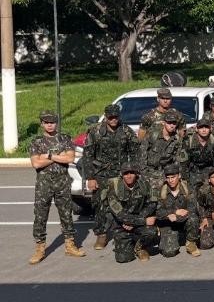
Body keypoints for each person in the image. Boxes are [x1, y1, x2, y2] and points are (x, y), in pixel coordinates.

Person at [29, 111, 85, 264]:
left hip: (62, 182)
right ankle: (40, 248)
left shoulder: (64, 139)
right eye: (46, 122)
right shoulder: (36, 142)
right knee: (40, 215)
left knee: (66, 214)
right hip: (44, 183)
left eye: (52, 122)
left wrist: (48, 156)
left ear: (56, 123)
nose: (49, 124)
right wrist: (57, 156)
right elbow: (36, 163)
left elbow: (70, 158)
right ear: (42, 124)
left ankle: (70, 245)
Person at [81, 103, 138, 249]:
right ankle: (102, 234)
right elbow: (87, 156)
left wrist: (133, 173)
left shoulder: (126, 131)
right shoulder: (95, 132)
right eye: (110, 117)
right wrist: (90, 178)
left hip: (122, 174)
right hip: (101, 174)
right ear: (105, 117)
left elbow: (135, 153)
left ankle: (123, 231)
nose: (113, 120)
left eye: (116, 117)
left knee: (124, 203)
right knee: (100, 204)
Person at [105, 163, 158, 263]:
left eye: (132, 173)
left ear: (136, 174)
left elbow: (152, 204)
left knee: (152, 231)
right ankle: (130, 242)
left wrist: (137, 220)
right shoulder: (114, 187)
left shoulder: (144, 184)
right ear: (121, 175)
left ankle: (139, 247)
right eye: (126, 173)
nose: (129, 176)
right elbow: (120, 215)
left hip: (137, 220)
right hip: (122, 225)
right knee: (123, 259)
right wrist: (143, 220)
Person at [153, 164, 201, 258]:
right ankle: (174, 238)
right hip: (168, 224)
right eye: (168, 178)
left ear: (179, 176)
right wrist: (172, 213)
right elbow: (156, 212)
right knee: (169, 252)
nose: (171, 180)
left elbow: (193, 208)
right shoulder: (159, 190)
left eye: (173, 177)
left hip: (184, 220)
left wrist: (177, 216)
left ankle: (191, 243)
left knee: (193, 219)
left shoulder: (188, 188)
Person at [139, 110, 186, 190]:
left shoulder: (177, 139)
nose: (172, 126)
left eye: (174, 123)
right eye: (169, 123)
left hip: (166, 173)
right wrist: (144, 173)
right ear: (164, 123)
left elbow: (177, 159)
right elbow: (142, 152)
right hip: (150, 172)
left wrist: (176, 174)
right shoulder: (153, 134)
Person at [182, 118, 214, 190]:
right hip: (194, 171)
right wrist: (185, 180)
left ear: (210, 129)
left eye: (206, 127)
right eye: (201, 127)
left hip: (210, 170)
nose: (204, 130)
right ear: (196, 129)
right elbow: (184, 164)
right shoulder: (188, 142)